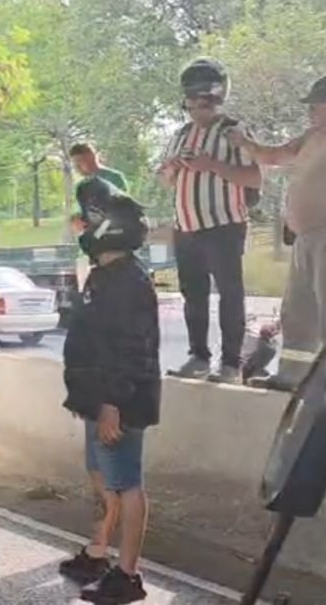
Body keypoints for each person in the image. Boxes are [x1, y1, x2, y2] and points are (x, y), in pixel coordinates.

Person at [60, 179, 160, 604]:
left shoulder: (127, 282)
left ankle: (128, 575)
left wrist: (112, 405)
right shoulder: (106, 275)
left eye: (90, 220)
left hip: (117, 402)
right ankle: (99, 552)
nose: (82, 227)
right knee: (103, 478)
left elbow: (130, 351)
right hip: (97, 399)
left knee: (125, 483)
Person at [158, 59, 262, 384]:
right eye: (191, 103)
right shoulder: (180, 134)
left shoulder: (234, 132)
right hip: (185, 227)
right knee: (193, 295)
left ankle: (231, 363)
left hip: (224, 225)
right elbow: (165, 180)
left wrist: (212, 165)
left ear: (216, 99)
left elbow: (255, 178)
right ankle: (198, 356)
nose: (196, 110)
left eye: (203, 102)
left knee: (230, 294)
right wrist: (173, 167)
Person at [229, 76, 326, 392]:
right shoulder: (310, 137)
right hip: (304, 237)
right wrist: (245, 143)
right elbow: (273, 156)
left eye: (316, 105)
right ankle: (292, 376)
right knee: (298, 311)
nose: (310, 111)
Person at [70, 142, 129, 234]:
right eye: (74, 164)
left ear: (91, 158)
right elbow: (79, 211)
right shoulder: (81, 186)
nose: (76, 167)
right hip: (91, 238)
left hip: (114, 235)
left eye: (79, 162)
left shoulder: (114, 178)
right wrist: (76, 220)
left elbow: (121, 207)